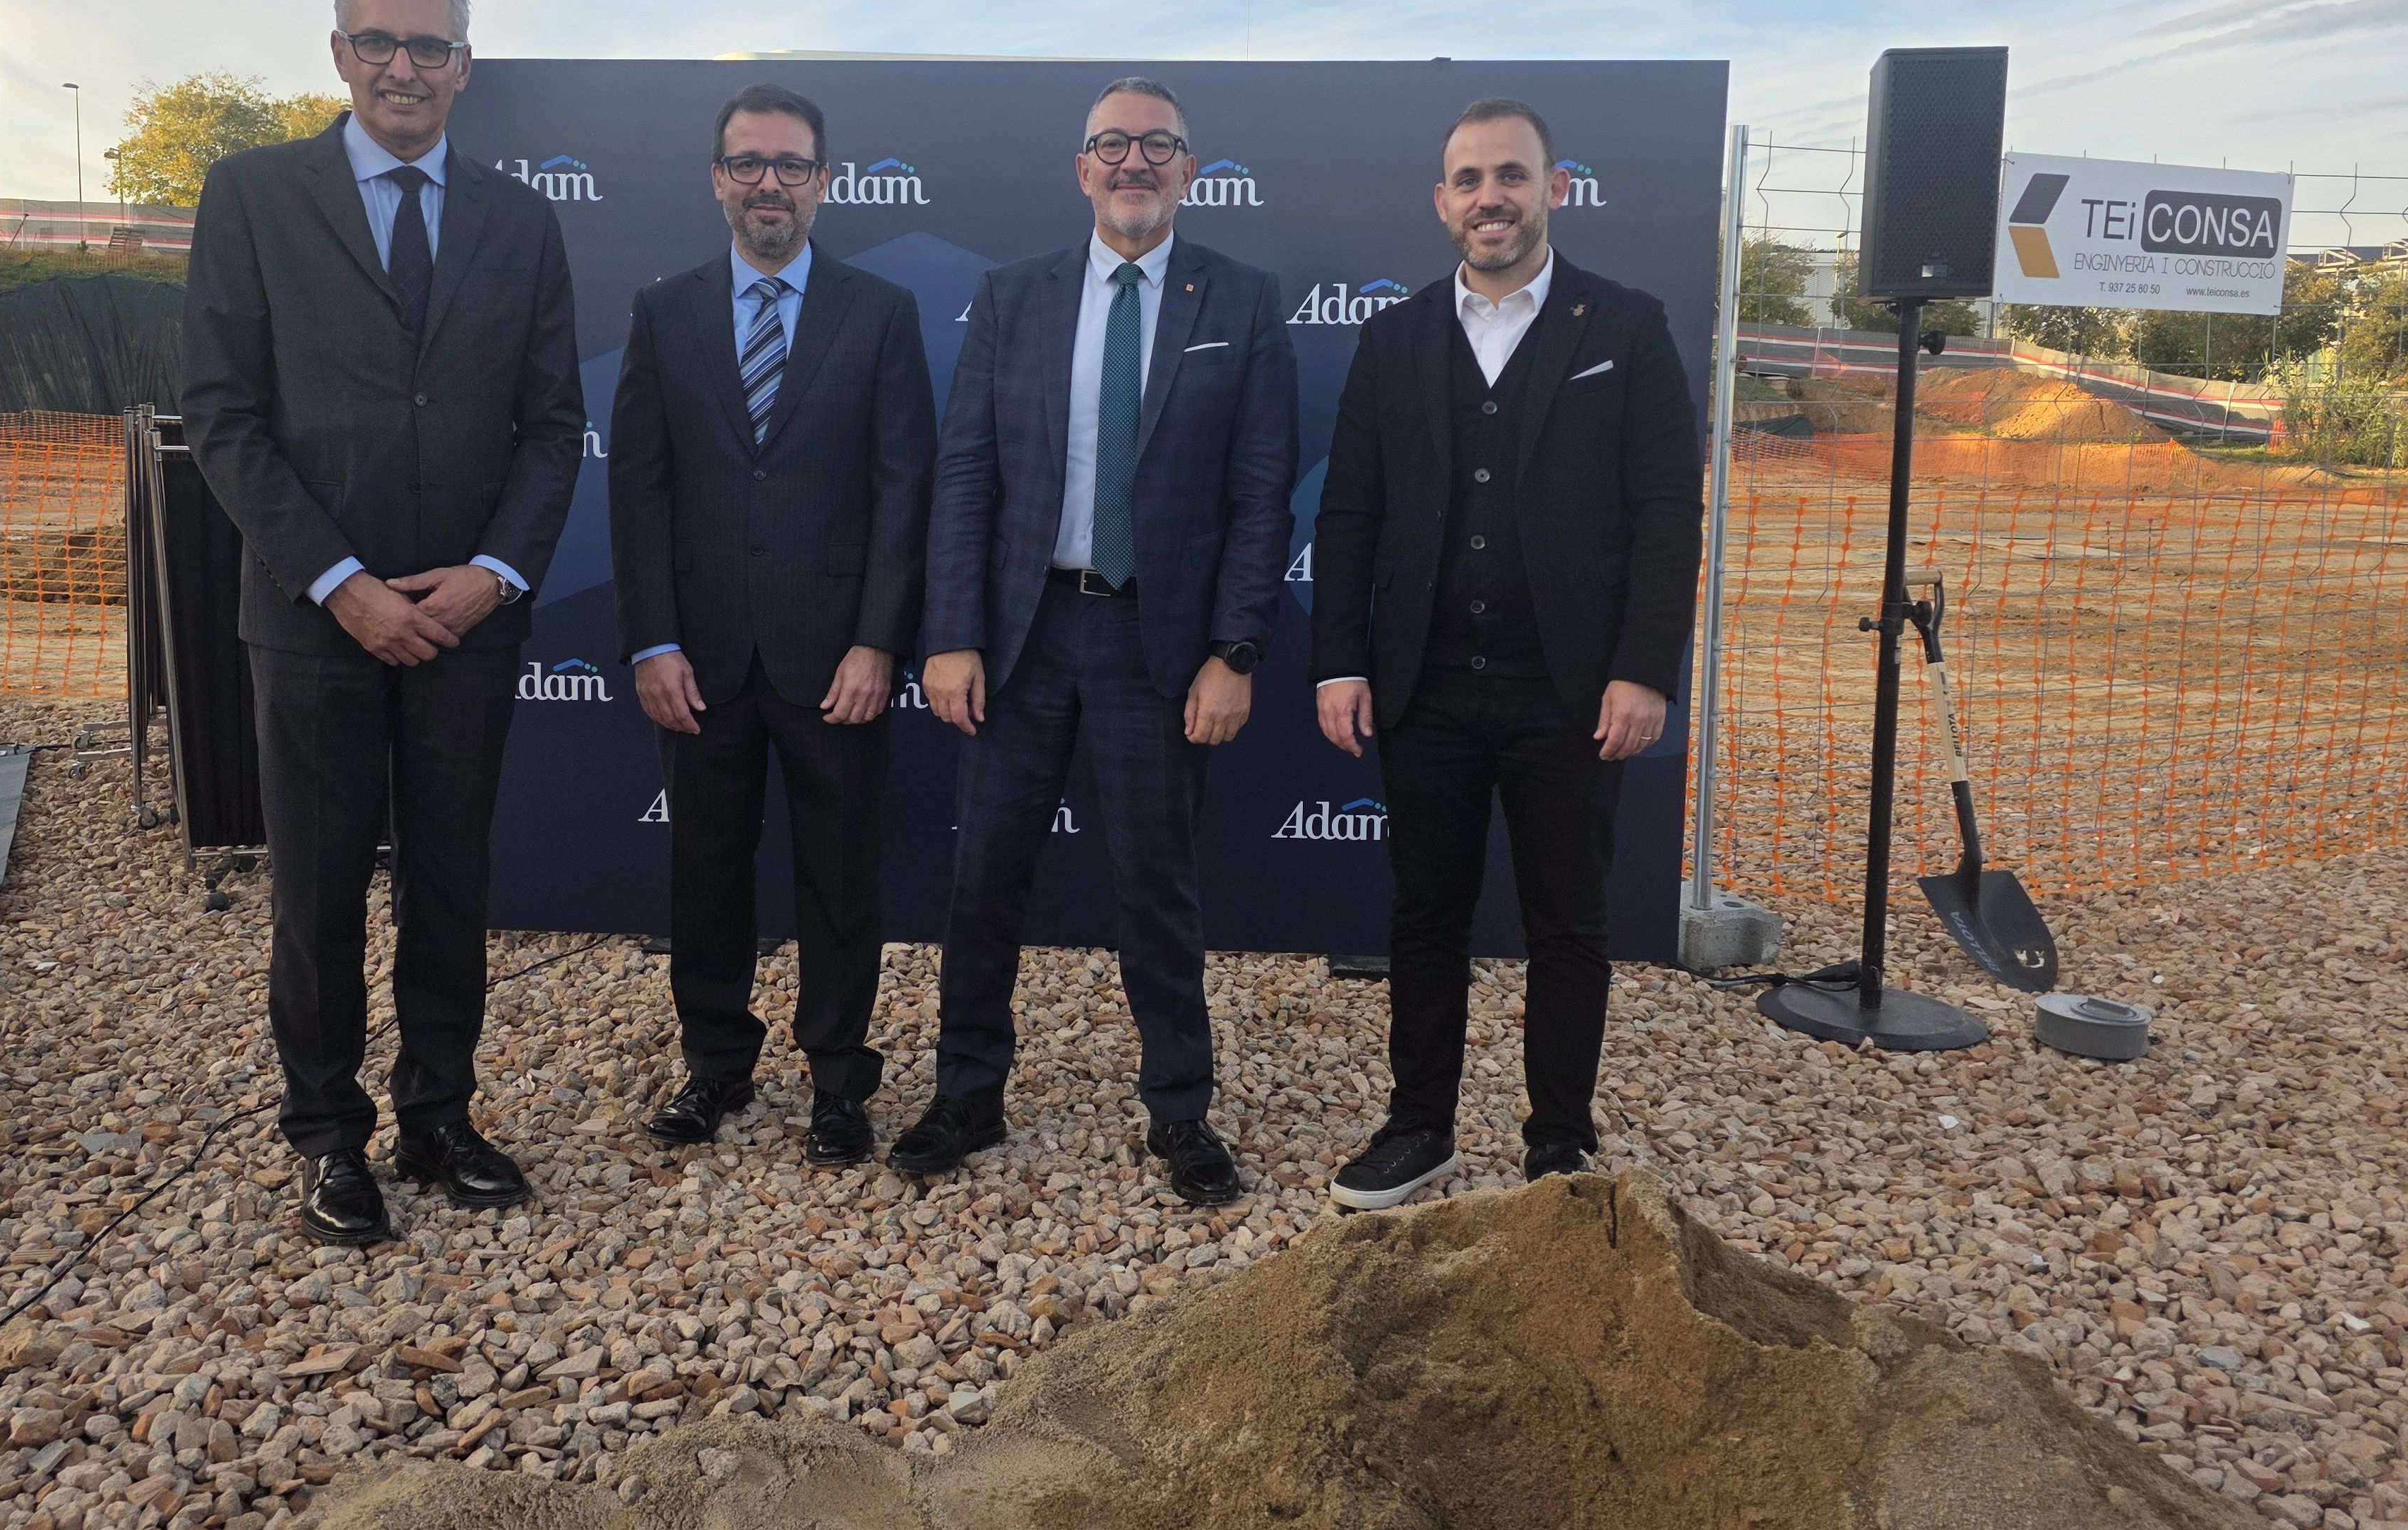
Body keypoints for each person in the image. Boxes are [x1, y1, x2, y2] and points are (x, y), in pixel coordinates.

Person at [181, 0, 583, 1247]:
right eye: (379, 43)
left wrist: (495, 574)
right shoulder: (250, 194)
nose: (404, 68)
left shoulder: (521, 220)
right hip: (313, 623)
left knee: (454, 877)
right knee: (317, 890)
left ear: (465, 66)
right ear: (340, 54)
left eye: (430, 47)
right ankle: (325, 1135)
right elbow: (225, 420)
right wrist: (344, 584)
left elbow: (550, 423)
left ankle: (440, 1112)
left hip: (469, 622)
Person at [900, 78, 1298, 1205]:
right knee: (983, 879)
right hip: (1022, 638)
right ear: (1082, 169)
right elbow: (966, 475)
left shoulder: (1244, 300)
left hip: (1156, 642)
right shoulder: (1013, 297)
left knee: (1157, 888)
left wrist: (1237, 651)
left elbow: (1263, 495)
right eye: (1112, 146)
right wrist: (952, 635)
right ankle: (967, 1095)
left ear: (1189, 170)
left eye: (1157, 146)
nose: (1134, 163)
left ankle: (1180, 1111)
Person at [1310, 97, 1700, 1209]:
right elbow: (1348, 515)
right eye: (1470, 180)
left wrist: (1645, 668)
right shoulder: (1390, 343)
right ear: (1442, 202)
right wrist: (1339, 659)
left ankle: (1558, 1146)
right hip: (1424, 689)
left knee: (1567, 923)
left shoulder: (1623, 326)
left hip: (1572, 696)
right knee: (1424, 917)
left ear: (1554, 188)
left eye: (1512, 176)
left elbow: (1667, 510)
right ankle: (1419, 1126)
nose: (1492, 198)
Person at [607, 83, 936, 1166]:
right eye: (748, 163)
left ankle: (840, 1081)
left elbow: (905, 489)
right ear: (716, 180)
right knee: (706, 868)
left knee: (841, 878)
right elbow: (640, 491)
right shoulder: (664, 313)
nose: (769, 184)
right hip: (698, 661)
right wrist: (652, 639)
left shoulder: (881, 313)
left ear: (825, 184)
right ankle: (715, 1066)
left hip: (835, 657)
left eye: (792, 165)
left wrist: (880, 640)